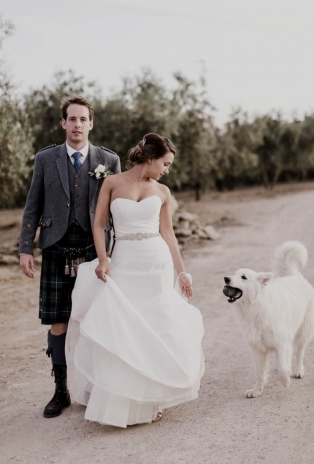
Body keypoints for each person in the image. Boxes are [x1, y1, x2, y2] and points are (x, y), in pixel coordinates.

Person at [65, 133, 205, 427]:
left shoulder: (163, 191)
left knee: (155, 326)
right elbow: (99, 224)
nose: (167, 170)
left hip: (156, 265)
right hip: (125, 262)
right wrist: (103, 259)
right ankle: (122, 397)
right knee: (125, 326)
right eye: (165, 163)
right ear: (150, 158)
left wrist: (181, 272)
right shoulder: (112, 183)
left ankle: (153, 397)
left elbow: (168, 234)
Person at [19, 96, 121, 418]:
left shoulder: (109, 160)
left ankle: (99, 387)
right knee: (59, 320)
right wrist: (25, 248)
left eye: (83, 119)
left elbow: (117, 209)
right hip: (55, 248)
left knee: (98, 318)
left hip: (94, 250)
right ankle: (60, 391)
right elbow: (33, 205)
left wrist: (118, 252)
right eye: (72, 119)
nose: (77, 125)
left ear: (91, 123)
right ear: (63, 123)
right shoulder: (45, 159)